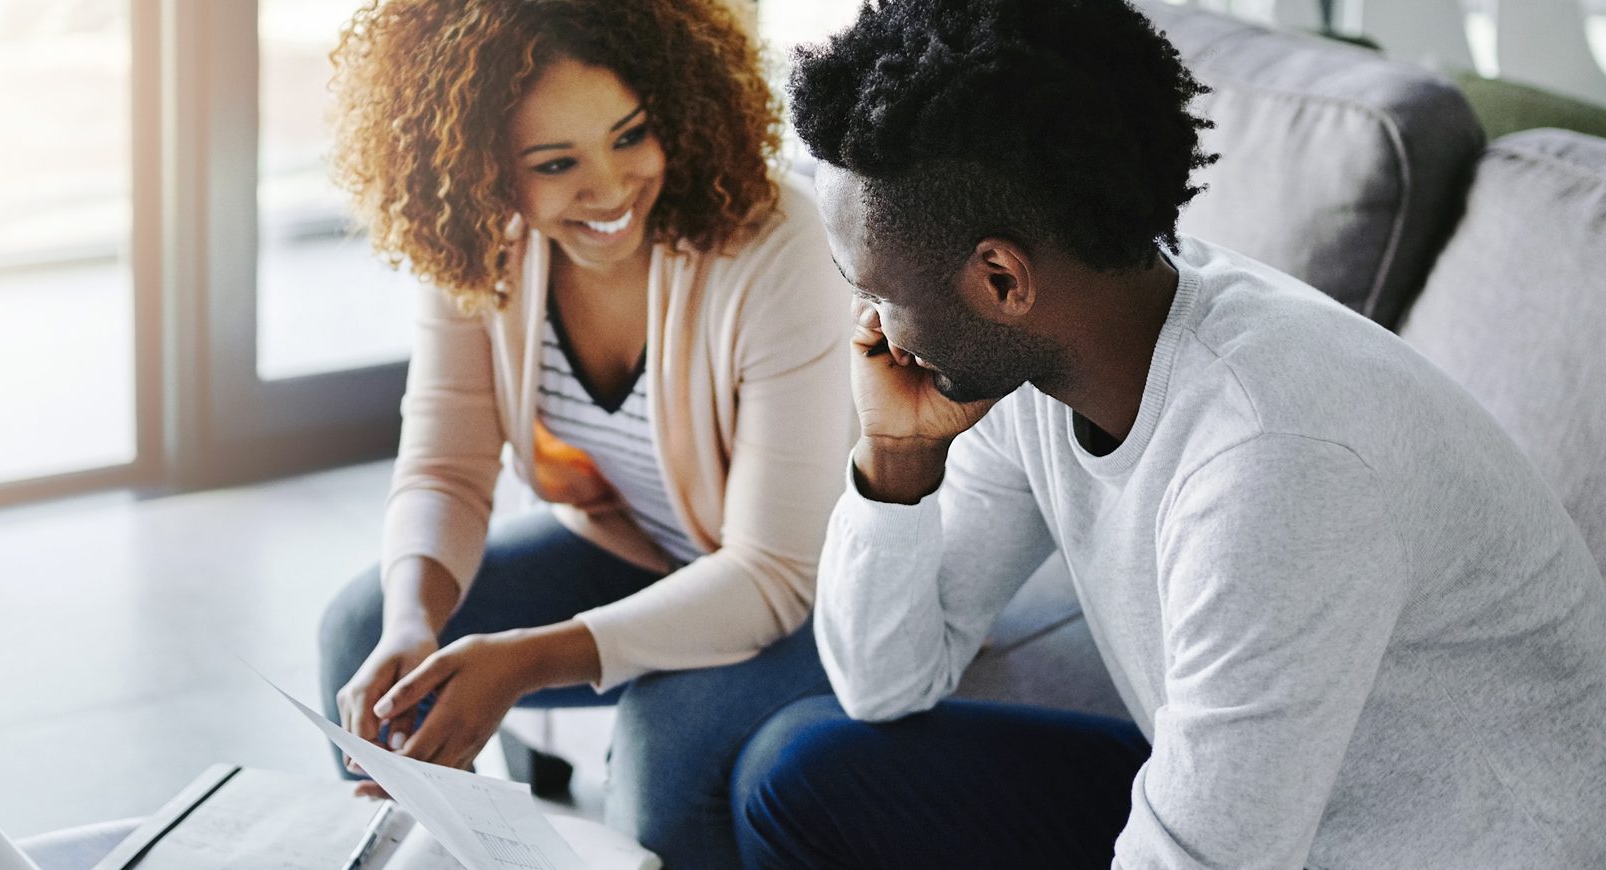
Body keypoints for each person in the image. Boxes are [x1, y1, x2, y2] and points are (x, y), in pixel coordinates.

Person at [731, 0, 1606, 867]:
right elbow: (884, 684)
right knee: (801, 772)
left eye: (877, 288)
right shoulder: (1049, 351)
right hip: (1263, 822)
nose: (871, 326)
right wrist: (898, 457)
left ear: (1001, 279)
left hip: (1436, 850)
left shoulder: (1274, 463)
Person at [313, 0, 854, 865]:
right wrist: (416, 620)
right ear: (481, 169)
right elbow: (445, 470)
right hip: (649, 549)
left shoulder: (777, 241)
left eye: (631, 135)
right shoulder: (479, 242)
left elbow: (773, 573)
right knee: (366, 629)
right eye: (555, 162)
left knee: (664, 741)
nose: (608, 189)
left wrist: (526, 661)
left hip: (823, 597)